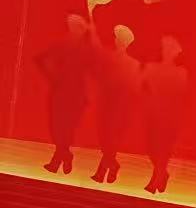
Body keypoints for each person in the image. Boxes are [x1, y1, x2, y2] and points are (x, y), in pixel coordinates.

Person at [37, 14, 94, 176]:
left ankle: (58, 160)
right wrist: (54, 77)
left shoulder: (86, 49)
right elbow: (42, 59)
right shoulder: (64, 44)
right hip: (62, 92)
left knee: (66, 128)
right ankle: (65, 155)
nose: (72, 29)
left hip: (74, 94)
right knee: (57, 127)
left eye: (75, 27)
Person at [91, 24, 141, 185]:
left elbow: (134, 87)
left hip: (119, 106)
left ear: (119, 41)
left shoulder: (131, 63)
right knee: (105, 139)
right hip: (108, 104)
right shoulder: (112, 59)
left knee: (110, 140)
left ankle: (103, 171)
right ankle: (111, 166)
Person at [140, 35, 189, 196]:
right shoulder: (151, 68)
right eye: (165, 48)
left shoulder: (181, 73)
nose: (167, 52)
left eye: (170, 49)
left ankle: (156, 179)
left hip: (170, 116)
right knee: (151, 148)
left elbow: (181, 96)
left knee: (163, 149)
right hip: (153, 113)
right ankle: (162, 174)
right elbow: (142, 86)